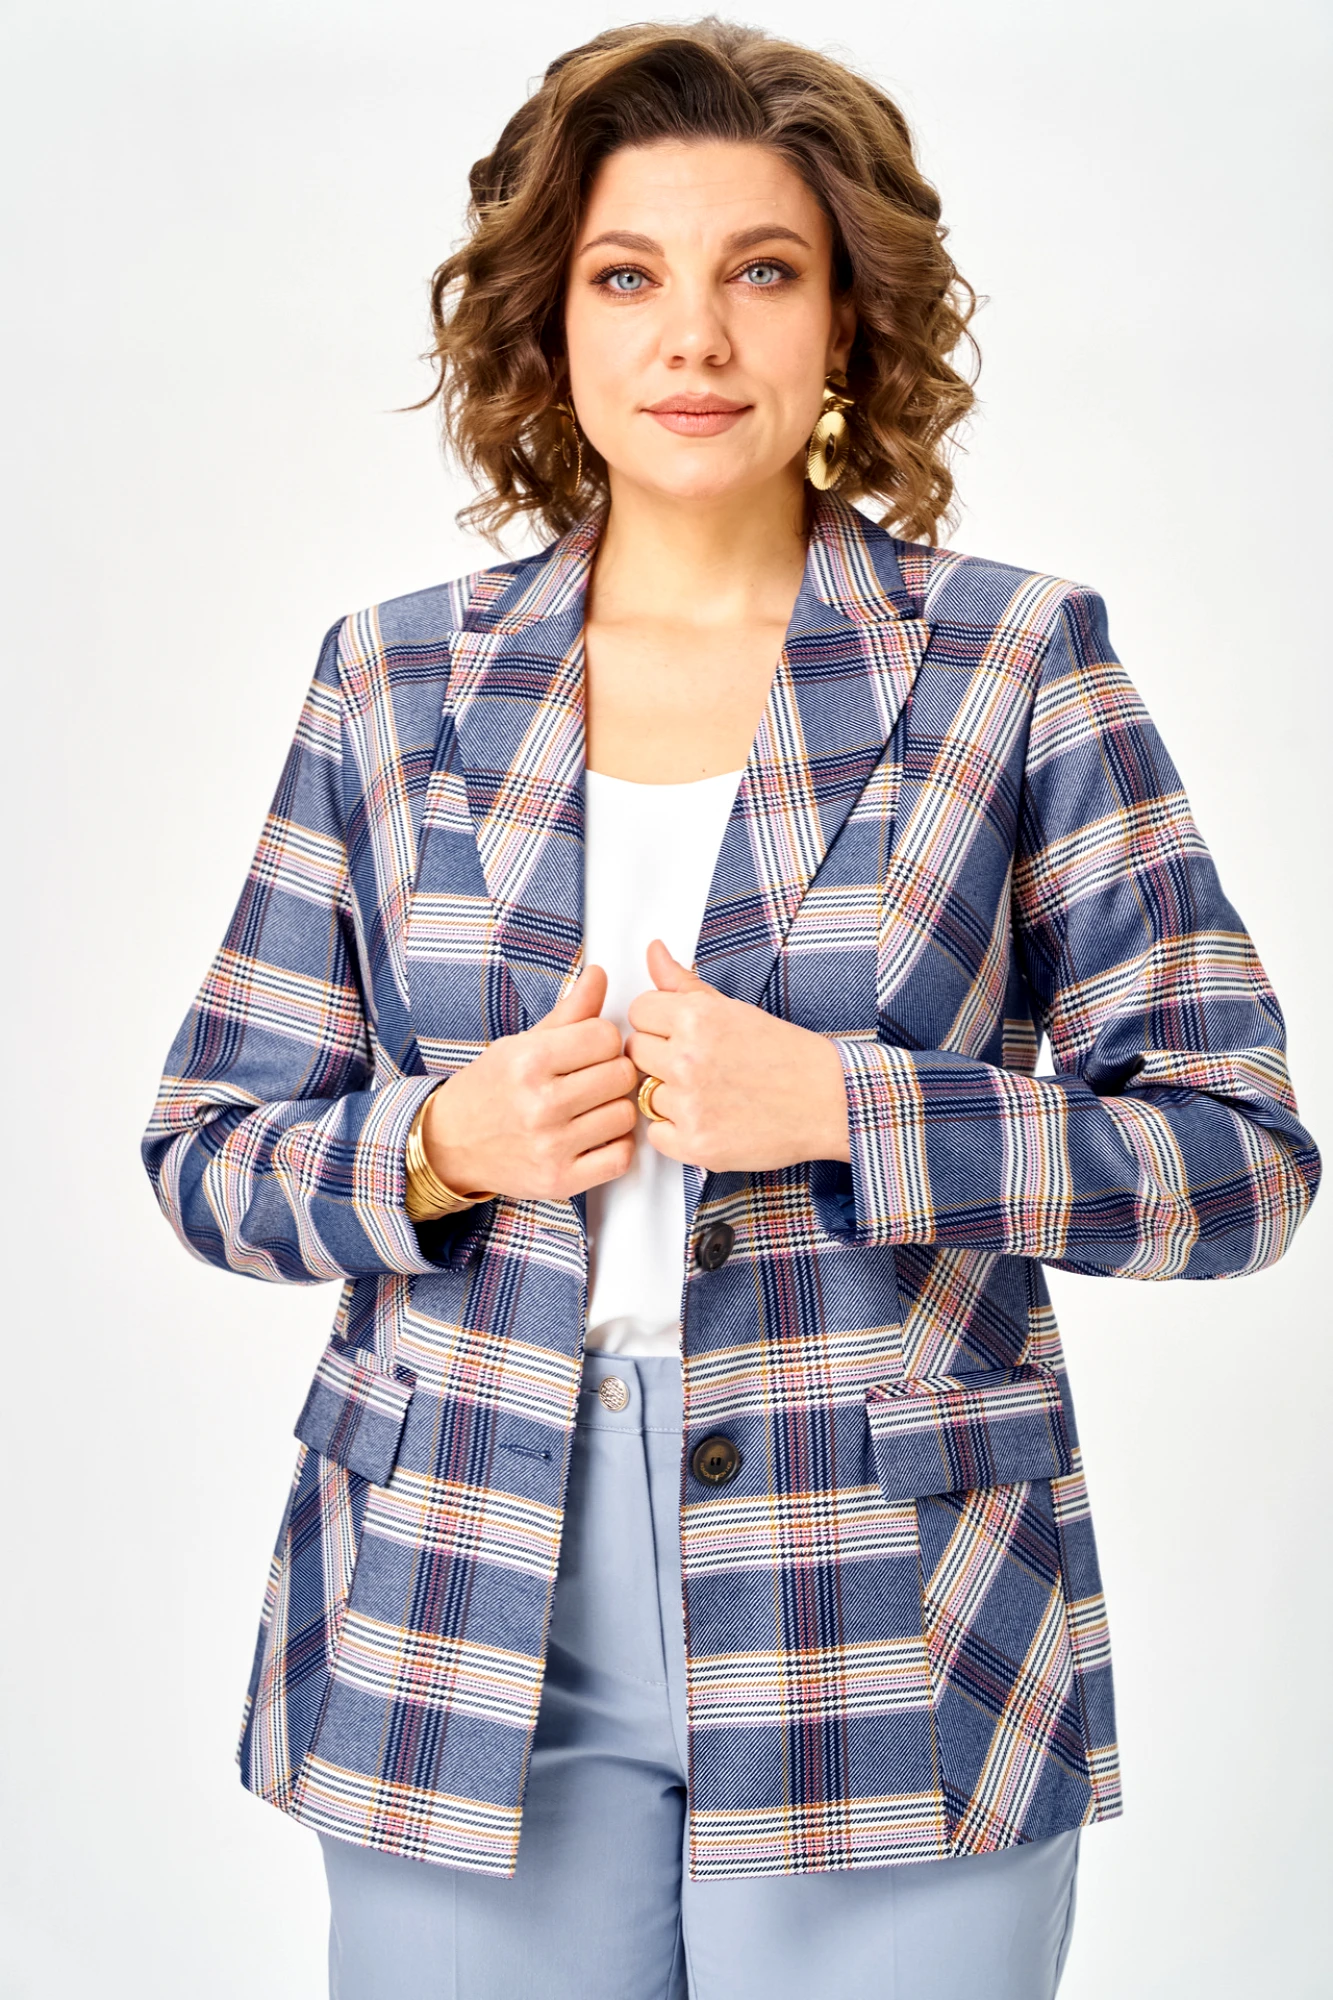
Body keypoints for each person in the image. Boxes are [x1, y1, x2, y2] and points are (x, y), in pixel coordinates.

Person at [141, 19, 1321, 2000]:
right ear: (552, 323)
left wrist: (858, 1108)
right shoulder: (393, 684)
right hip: (462, 1588)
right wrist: (439, 1145)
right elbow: (209, 1150)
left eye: (761, 270)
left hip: (892, 1598)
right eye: (629, 276)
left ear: (847, 316)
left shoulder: (1017, 664)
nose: (694, 336)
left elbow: (1240, 1159)